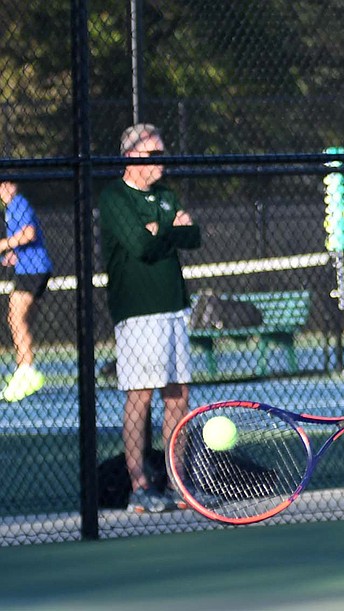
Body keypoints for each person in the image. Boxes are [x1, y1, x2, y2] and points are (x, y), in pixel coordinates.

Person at [99, 123, 202, 513]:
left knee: (178, 395)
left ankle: (179, 483)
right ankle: (139, 485)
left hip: (175, 306)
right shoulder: (114, 198)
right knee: (140, 395)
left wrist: (166, 229)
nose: (161, 162)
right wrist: (167, 230)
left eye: (163, 154)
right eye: (152, 155)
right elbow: (140, 246)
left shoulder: (165, 195)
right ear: (131, 158)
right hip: (138, 313)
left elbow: (194, 236)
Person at [0, 181, 52, 402]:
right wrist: (13, 253)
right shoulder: (11, 209)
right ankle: (23, 369)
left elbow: (29, 233)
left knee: (15, 317)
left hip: (33, 270)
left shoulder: (18, 204)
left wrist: (5, 244)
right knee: (19, 319)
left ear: (11, 186)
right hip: (29, 268)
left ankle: (27, 370)